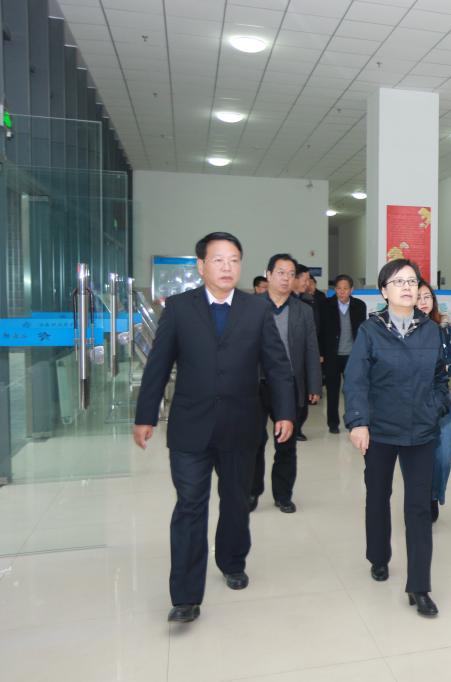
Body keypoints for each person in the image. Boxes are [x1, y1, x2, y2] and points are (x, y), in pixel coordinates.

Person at [133, 232, 295, 624]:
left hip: (241, 424)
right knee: (190, 505)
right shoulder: (179, 308)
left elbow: (276, 365)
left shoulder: (256, 309)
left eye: (234, 260)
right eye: (218, 260)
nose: (227, 267)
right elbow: (158, 364)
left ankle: (232, 561)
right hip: (191, 426)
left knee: (236, 499)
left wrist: (285, 412)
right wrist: (145, 415)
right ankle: (185, 596)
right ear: (201, 266)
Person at [344, 259, 449, 617]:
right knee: (378, 495)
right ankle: (378, 556)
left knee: (418, 508)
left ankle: (419, 586)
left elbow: (440, 378)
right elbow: (355, 379)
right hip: (381, 430)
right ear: (384, 291)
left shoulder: (431, 331)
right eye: (398, 281)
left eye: (412, 281)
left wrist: (435, 407)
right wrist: (358, 422)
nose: (407, 287)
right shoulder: (370, 330)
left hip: (421, 431)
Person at [250, 253, 322, 514]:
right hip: (255, 385)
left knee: (286, 444)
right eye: (280, 273)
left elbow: (311, 349)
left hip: (289, 385)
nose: (286, 278)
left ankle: (283, 495)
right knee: (253, 442)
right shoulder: (250, 307)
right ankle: (251, 492)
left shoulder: (303, 310)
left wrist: (314, 385)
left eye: (291, 274)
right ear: (268, 275)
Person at [416, 280, 451, 522]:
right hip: (412, 401)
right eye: (419, 297)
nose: (423, 302)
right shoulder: (403, 330)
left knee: (444, 454)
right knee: (418, 456)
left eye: (427, 297)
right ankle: (421, 497)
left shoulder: (443, 328)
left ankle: (433, 495)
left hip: (441, 399)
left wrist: (443, 368)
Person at [320, 274, 367, 434]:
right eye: (338, 288)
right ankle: (333, 423)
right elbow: (320, 331)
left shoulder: (359, 306)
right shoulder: (326, 305)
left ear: (351, 290)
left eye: (345, 288)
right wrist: (321, 353)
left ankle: (353, 420)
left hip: (352, 356)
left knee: (352, 391)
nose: (341, 292)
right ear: (335, 289)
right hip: (332, 355)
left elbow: (362, 332)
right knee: (332, 391)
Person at [290, 264, 316, 440]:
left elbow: (312, 340)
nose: (307, 283)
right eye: (305, 279)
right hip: (287, 365)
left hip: (303, 361)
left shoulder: (307, 302)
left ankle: (296, 429)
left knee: (301, 401)